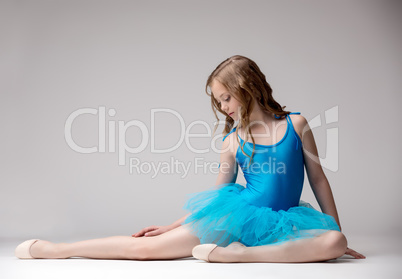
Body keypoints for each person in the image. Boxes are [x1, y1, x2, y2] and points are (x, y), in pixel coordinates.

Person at [15, 55, 366, 263]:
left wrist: (334, 228)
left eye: (226, 98)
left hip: (285, 222)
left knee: (336, 243)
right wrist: (172, 225)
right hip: (239, 217)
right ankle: (57, 250)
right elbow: (217, 197)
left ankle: (238, 256)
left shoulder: (297, 124)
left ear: (248, 87)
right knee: (148, 251)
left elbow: (319, 180)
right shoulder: (232, 141)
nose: (224, 107)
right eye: (219, 102)